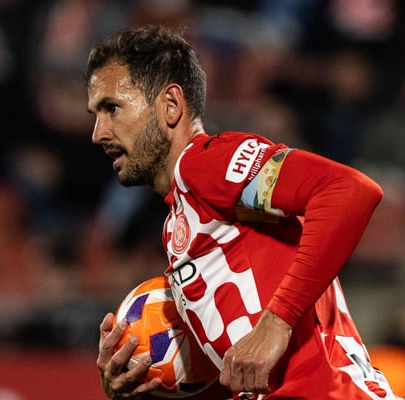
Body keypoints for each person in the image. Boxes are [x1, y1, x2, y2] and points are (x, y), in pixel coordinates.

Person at [85, 25, 402, 399]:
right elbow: (246, 378)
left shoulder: (207, 164)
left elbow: (348, 190)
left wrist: (277, 322)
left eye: (112, 108)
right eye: (95, 114)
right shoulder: (181, 224)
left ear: (170, 105)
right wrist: (138, 386)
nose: (98, 133)